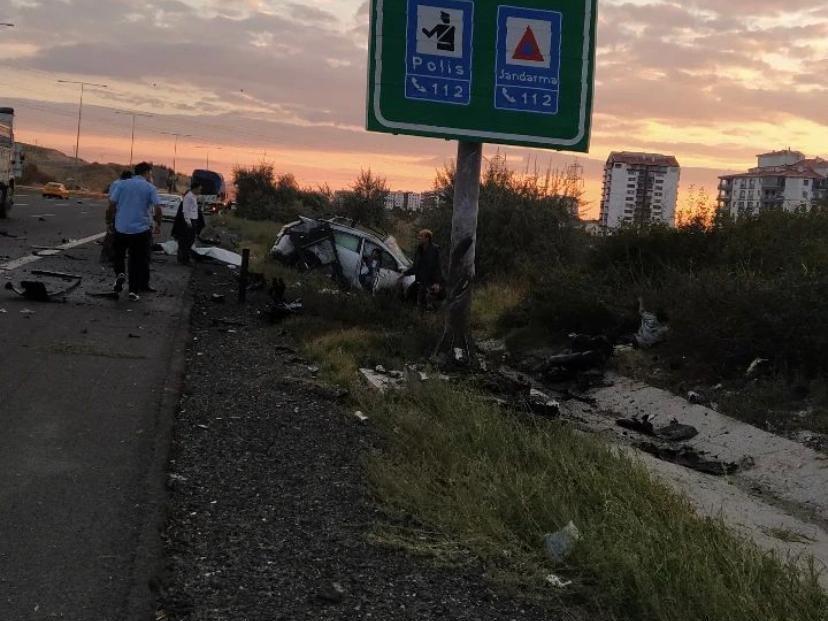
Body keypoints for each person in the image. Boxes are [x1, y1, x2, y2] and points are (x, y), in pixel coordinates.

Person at [109, 162, 162, 301]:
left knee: (119, 255)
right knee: (137, 260)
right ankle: (133, 290)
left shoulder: (122, 184)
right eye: (150, 173)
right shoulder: (150, 187)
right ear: (146, 173)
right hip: (141, 230)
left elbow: (112, 204)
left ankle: (120, 273)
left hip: (121, 227)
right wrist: (158, 224)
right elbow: (158, 208)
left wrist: (110, 222)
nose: (150, 176)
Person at [402, 229, 444, 311]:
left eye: (421, 236)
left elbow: (439, 267)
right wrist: (404, 273)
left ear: (427, 238)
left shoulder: (435, 249)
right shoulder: (419, 250)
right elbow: (415, 267)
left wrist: (437, 283)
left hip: (431, 283)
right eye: (419, 236)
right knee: (413, 301)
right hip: (420, 282)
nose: (419, 238)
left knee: (430, 306)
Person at [101, 171, 132, 264]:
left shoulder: (116, 183)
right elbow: (114, 200)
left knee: (113, 234)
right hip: (117, 211)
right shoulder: (120, 184)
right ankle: (108, 256)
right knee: (113, 235)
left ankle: (109, 255)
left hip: (115, 210)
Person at [172, 181, 201, 265]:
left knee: (190, 240)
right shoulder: (189, 197)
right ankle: (184, 259)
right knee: (187, 241)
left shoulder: (193, 197)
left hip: (193, 220)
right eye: (199, 189)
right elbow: (185, 210)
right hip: (189, 221)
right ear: (195, 188)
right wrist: (188, 221)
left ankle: (184, 258)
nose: (200, 190)